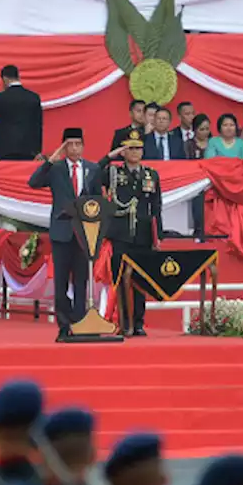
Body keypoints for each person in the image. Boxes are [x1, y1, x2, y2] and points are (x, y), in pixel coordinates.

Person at [27, 127, 101, 342]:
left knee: (81, 282)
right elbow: (33, 182)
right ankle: (63, 324)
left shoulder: (92, 169)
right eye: (70, 144)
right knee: (61, 283)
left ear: (84, 146)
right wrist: (50, 160)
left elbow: (97, 200)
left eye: (78, 144)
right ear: (64, 146)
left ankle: (79, 323)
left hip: (84, 234)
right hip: (61, 232)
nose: (75, 148)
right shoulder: (56, 169)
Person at [102, 129, 162, 337]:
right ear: (123, 151)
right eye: (130, 148)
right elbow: (93, 172)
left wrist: (158, 236)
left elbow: (156, 207)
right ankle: (123, 322)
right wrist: (110, 156)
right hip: (121, 234)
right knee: (120, 279)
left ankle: (138, 323)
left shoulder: (151, 174)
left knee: (140, 280)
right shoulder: (113, 173)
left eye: (138, 148)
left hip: (143, 235)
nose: (135, 152)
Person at [0, 64, 43, 161]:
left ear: (4, 79)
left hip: (5, 148)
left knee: (5, 175)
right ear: (18, 77)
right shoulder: (33, 97)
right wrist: (38, 150)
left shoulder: (1, 97)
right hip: (28, 148)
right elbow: (38, 125)